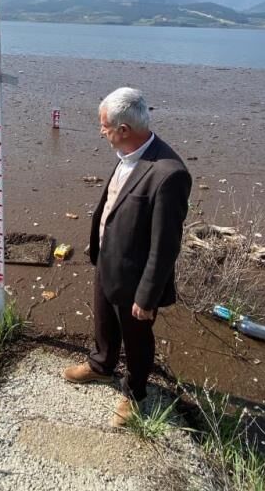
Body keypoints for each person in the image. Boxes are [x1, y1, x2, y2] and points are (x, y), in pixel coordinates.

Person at [62, 87, 192, 427]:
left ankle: (135, 393)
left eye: (104, 126)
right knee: (104, 320)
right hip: (108, 260)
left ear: (123, 129)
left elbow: (166, 246)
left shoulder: (169, 173)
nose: (100, 131)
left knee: (137, 338)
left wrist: (147, 297)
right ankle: (101, 364)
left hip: (136, 278)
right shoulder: (128, 153)